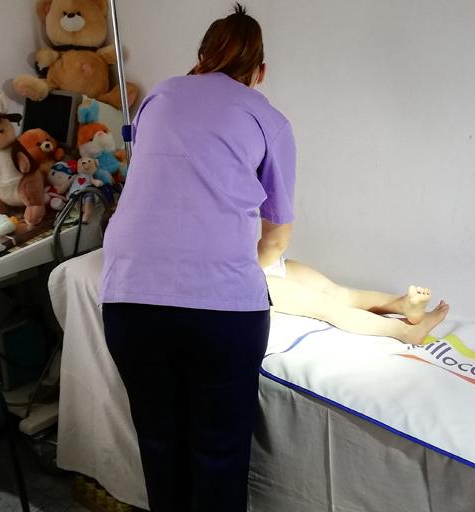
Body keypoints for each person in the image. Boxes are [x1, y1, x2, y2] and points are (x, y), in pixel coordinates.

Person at [98, 5, 294, 511]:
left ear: (202, 55)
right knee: (218, 454)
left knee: (159, 442)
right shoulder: (268, 119)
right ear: (259, 71)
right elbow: (276, 239)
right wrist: (229, 262)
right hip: (222, 314)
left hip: (129, 300)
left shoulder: (159, 97)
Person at [263, 255, 450, 344]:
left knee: (338, 293)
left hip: (261, 262)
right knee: (327, 304)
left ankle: (402, 306)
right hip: (255, 274)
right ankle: (404, 330)